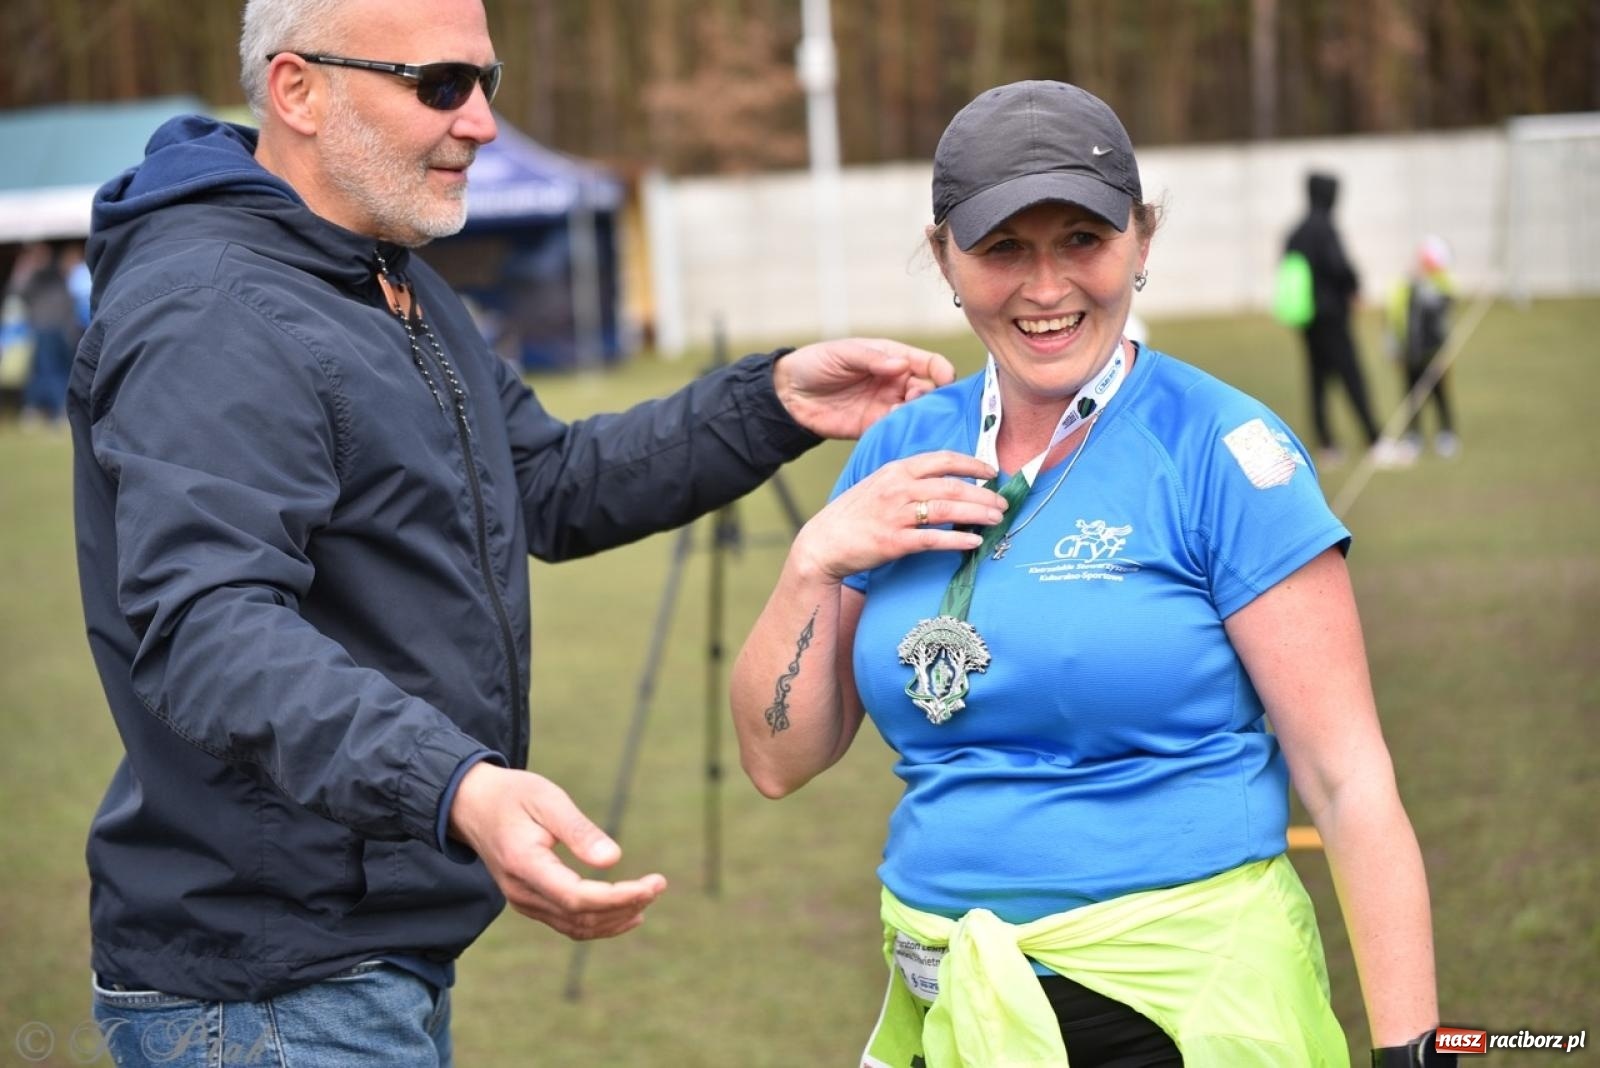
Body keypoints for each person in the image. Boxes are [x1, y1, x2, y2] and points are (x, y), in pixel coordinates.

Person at [68, 1, 953, 1064]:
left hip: (359, 963)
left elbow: (544, 481)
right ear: (298, 89)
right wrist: (455, 784)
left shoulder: (386, 278)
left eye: (487, 82)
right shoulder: (212, 308)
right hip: (265, 984)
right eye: (440, 84)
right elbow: (208, 629)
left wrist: (768, 404)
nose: (482, 121)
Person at [732, 81, 1452, 1067]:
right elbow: (778, 762)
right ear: (944, 256)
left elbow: (1346, 777)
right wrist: (811, 561)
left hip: (1189, 1019)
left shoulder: (1221, 449)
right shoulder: (900, 452)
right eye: (1002, 249)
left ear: (1141, 242)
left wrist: (1416, 1050)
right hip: (950, 1014)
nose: (1045, 288)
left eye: (1081, 239)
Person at [1284, 172, 1405, 469]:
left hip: (1306, 317)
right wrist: (1353, 288)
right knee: (1351, 374)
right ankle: (1375, 439)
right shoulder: (1325, 229)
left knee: (1317, 378)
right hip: (1331, 316)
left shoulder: (1296, 231)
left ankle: (1326, 444)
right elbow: (1339, 267)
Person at [1386, 235, 1459, 458]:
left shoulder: (1441, 284)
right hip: (1410, 351)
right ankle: (1414, 435)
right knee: (1411, 395)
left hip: (1433, 352)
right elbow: (1395, 313)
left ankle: (1446, 433)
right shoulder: (1406, 283)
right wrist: (1394, 346)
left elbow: (1446, 306)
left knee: (1439, 393)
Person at [6, 240, 78, 424]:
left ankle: (57, 410)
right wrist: (26, 267)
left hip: (59, 328)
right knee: (42, 370)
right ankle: (40, 409)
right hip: (42, 328)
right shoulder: (33, 275)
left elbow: (69, 300)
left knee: (58, 370)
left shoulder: (57, 274)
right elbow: (16, 291)